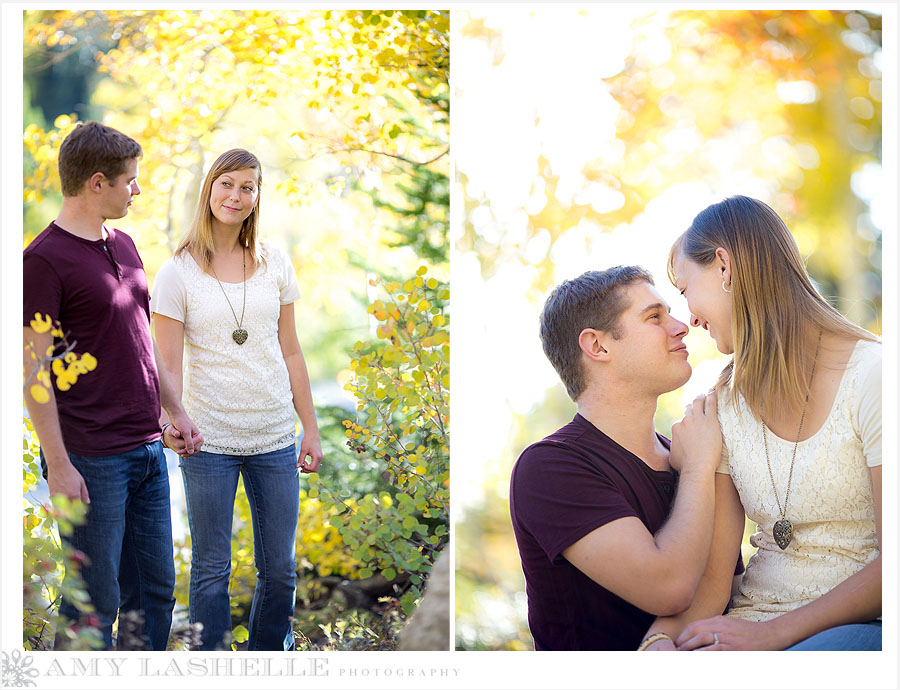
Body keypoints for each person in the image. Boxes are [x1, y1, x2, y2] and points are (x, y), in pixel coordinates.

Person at [641, 195, 881, 651]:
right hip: (750, 626)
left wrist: (772, 636)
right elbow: (713, 583)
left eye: (685, 289)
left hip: (860, 632)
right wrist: (657, 642)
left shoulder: (874, 375)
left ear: (725, 267)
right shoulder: (725, 405)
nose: (688, 317)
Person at [22, 121, 203, 650]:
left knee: (153, 598)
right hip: (91, 461)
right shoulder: (42, 261)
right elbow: (34, 374)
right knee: (92, 609)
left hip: (148, 451)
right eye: (130, 180)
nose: (137, 189)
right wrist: (58, 464)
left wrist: (176, 411)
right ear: (96, 182)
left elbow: (141, 343)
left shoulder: (123, 244)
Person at [509, 266, 743, 650]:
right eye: (655, 317)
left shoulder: (688, 453)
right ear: (598, 347)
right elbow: (667, 589)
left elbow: (729, 594)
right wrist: (701, 467)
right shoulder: (550, 467)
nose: (682, 326)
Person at [151, 148, 323, 651]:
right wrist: (170, 423)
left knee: (281, 569)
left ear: (256, 198)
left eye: (248, 187)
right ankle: (212, 667)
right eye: (227, 183)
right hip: (208, 442)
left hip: (273, 437)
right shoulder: (176, 273)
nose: (236, 195)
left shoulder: (276, 264)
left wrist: (309, 427)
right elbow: (167, 365)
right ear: (210, 189)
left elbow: (291, 351)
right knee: (210, 568)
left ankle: (268, 661)